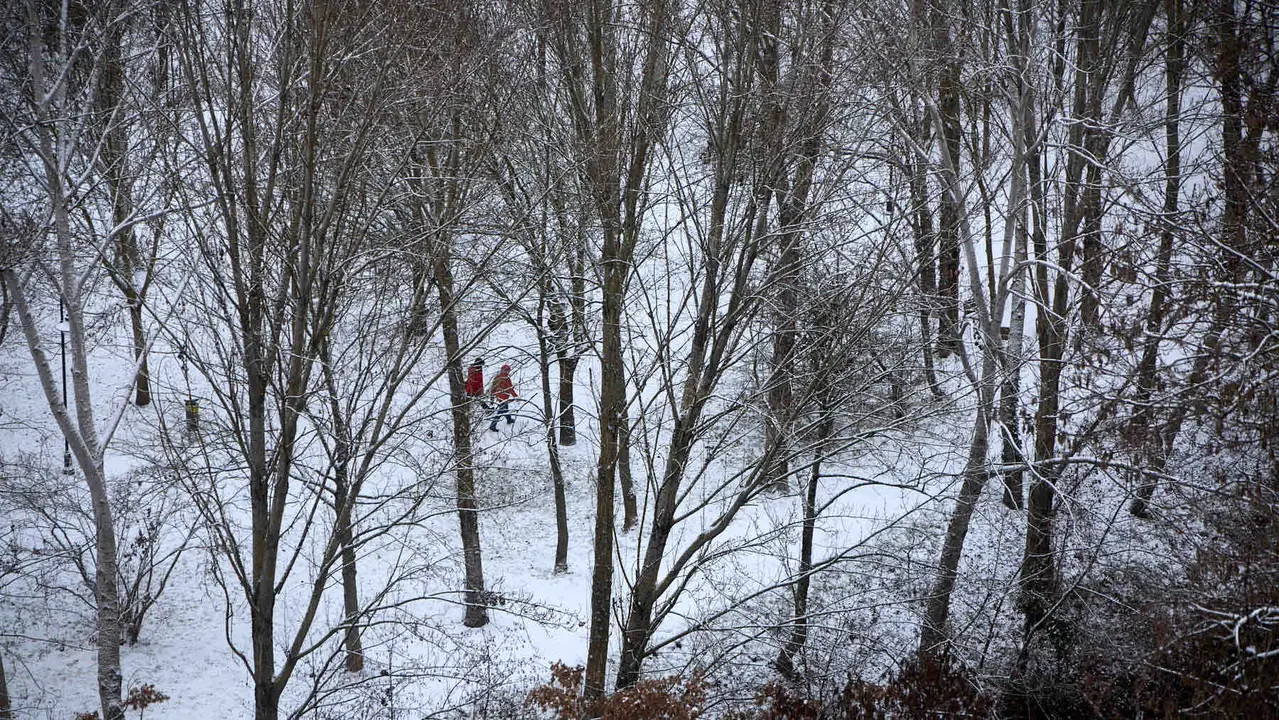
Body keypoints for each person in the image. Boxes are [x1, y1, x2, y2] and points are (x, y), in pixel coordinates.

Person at [488, 364, 517, 431]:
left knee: (505, 408)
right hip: (504, 396)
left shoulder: (497, 377)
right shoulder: (506, 378)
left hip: (499, 396)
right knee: (500, 412)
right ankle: (492, 425)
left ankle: (509, 419)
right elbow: (510, 389)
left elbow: (493, 388)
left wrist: (492, 397)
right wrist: (516, 396)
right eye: (508, 370)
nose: (508, 372)